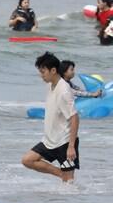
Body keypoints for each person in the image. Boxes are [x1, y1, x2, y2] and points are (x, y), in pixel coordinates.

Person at [21, 52, 79, 182]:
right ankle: (61, 174)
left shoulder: (63, 91)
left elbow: (74, 117)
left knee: (69, 185)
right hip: (49, 141)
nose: (41, 75)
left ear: (53, 70)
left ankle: (66, 177)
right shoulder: (51, 85)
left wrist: (71, 146)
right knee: (27, 160)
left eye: (43, 72)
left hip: (64, 143)